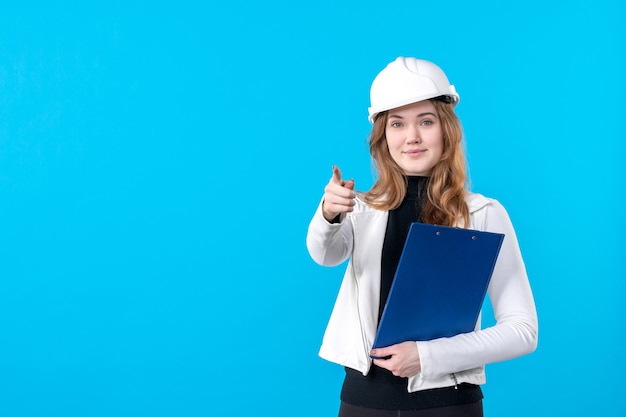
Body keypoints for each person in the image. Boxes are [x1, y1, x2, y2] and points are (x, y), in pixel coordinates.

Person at [306, 57, 538, 417]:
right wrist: (328, 213)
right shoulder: (360, 209)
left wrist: (428, 357)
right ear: (383, 136)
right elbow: (325, 253)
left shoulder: (483, 214)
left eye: (426, 122)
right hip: (363, 404)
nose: (411, 136)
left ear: (446, 129)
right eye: (397, 123)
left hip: (448, 404)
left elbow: (523, 329)